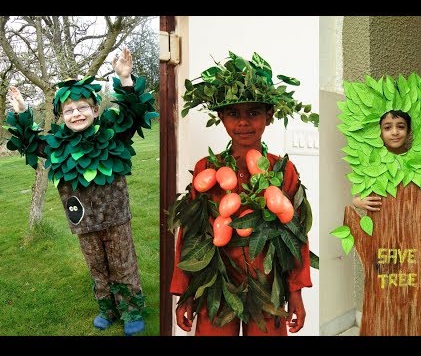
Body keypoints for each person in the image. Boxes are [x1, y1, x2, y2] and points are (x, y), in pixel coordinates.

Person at [4, 48, 158, 336]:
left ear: (95, 109)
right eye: (69, 110)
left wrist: (125, 78)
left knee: (123, 263)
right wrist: (23, 111)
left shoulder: (111, 133)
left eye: (82, 107)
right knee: (97, 266)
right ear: (62, 116)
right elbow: (28, 142)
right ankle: (107, 308)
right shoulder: (56, 146)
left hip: (115, 217)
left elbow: (134, 115)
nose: (76, 113)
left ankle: (132, 309)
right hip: (82, 221)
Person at [169, 51, 318, 336]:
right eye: (234, 114)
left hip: (266, 284)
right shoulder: (207, 169)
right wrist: (186, 291)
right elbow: (191, 234)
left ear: (269, 116)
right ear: (221, 117)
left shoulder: (281, 170)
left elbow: (295, 232)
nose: (243, 123)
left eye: (253, 113)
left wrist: (295, 291)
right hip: (217, 283)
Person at [352, 110, 421, 211]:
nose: (395, 132)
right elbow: (357, 197)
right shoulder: (372, 160)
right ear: (379, 132)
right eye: (387, 128)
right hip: (381, 219)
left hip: (414, 219)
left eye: (401, 127)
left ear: (408, 131)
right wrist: (357, 202)